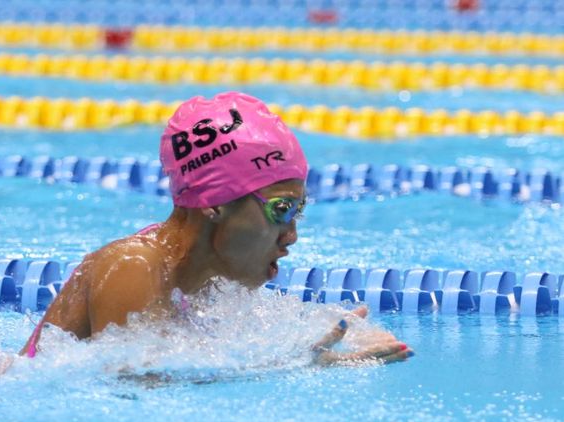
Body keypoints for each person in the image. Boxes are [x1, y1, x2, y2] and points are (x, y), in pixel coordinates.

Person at [21, 91, 413, 365]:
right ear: (214, 205)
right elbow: (137, 397)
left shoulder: (202, 285)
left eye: (298, 212)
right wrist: (296, 363)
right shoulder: (133, 266)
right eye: (282, 209)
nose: (291, 235)